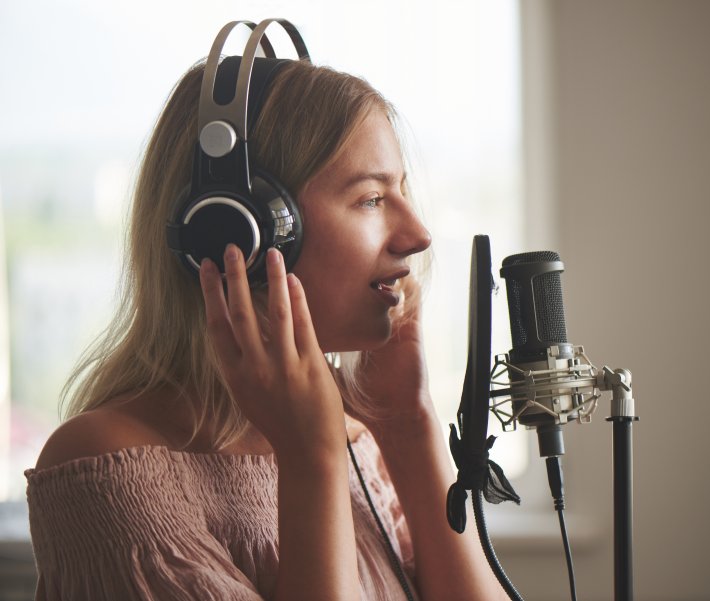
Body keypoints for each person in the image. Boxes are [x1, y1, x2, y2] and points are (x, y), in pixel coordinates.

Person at [25, 23, 504, 601]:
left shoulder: (362, 441)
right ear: (236, 231)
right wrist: (312, 457)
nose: (418, 235)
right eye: (372, 199)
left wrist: (408, 424)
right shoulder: (108, 469)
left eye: (401, 191)